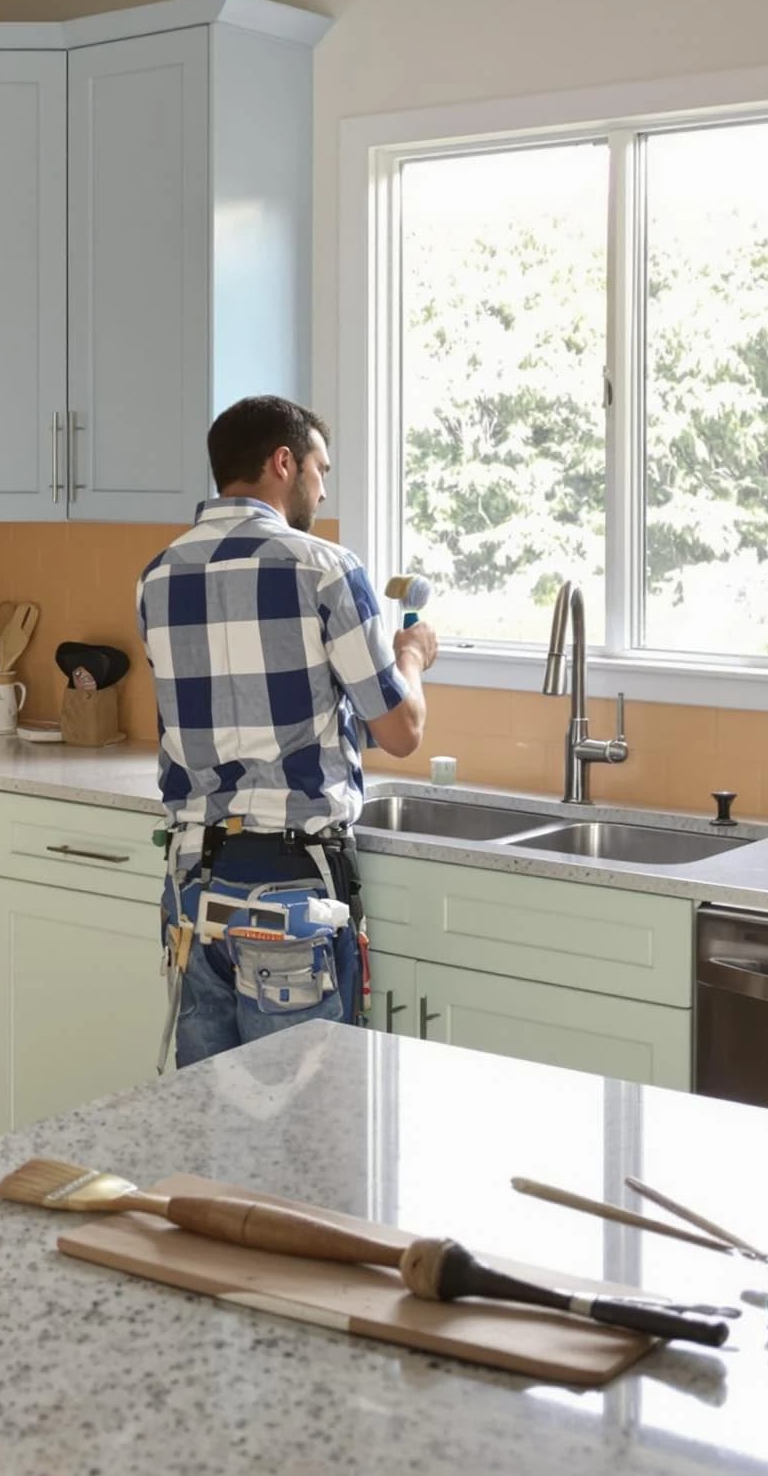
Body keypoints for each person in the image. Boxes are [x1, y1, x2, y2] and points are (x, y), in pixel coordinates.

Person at [136, 395, 438, 1068]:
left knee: (210, 1125)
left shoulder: (157, 577)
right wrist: (412, 657)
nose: (323, 487)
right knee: (306, 1139)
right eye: (319, 468)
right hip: (292, 901)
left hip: (194, 898)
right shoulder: (325, 568)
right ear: (283, 461)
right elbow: (401, 731)